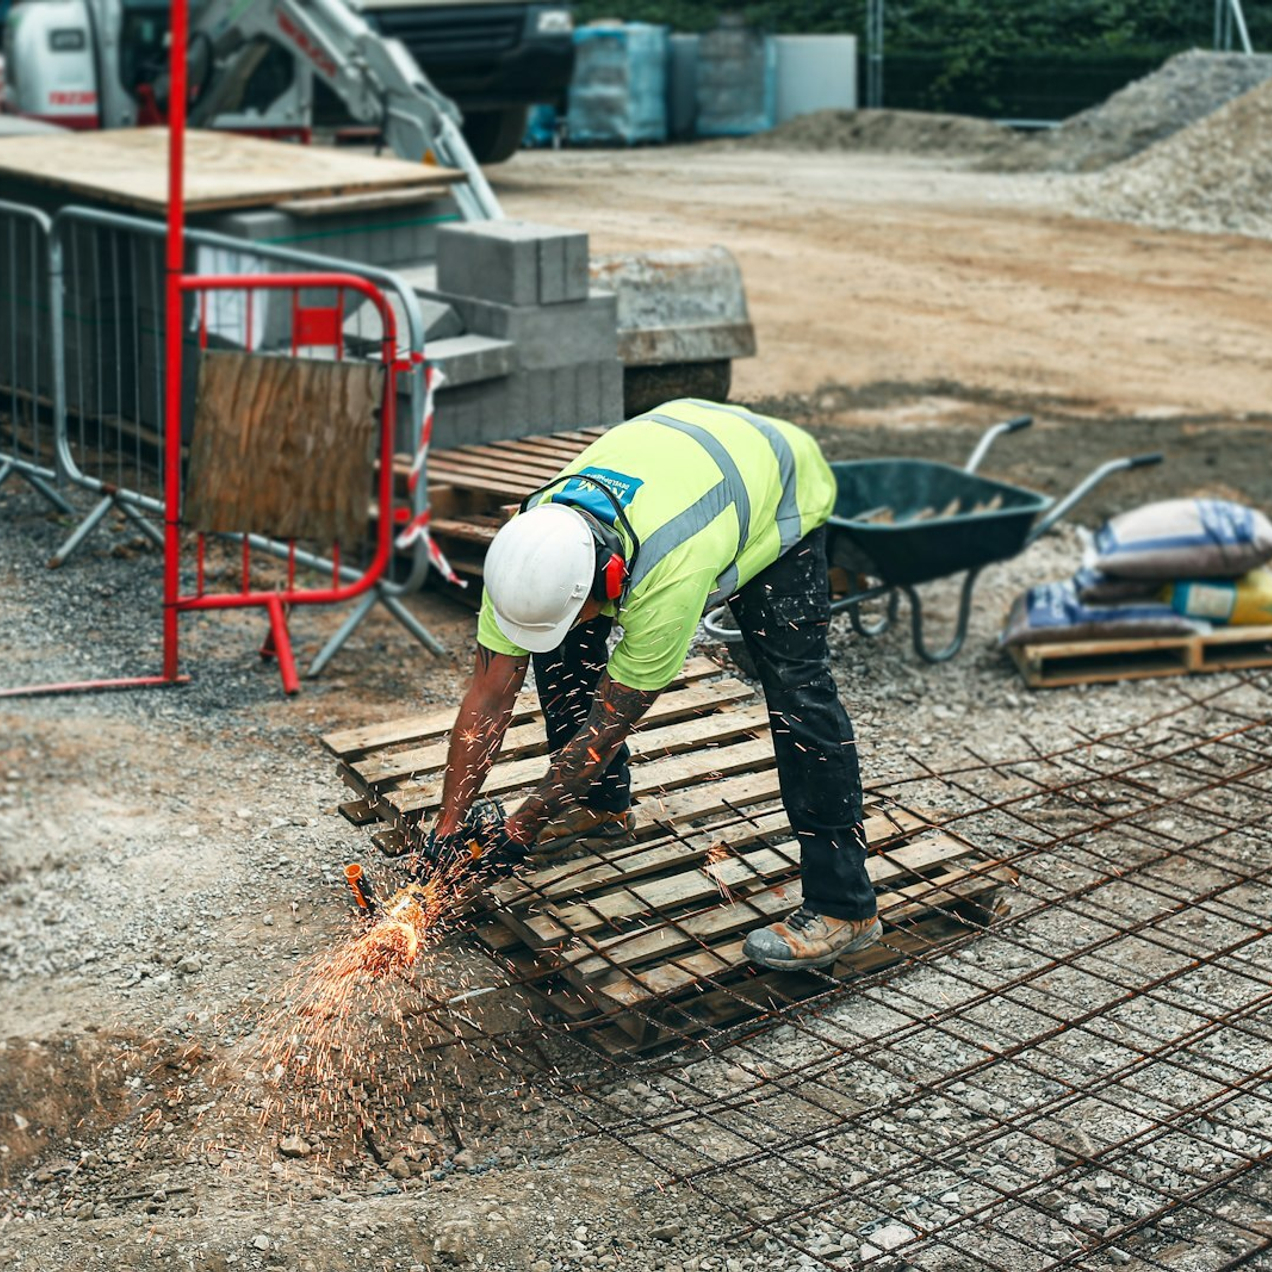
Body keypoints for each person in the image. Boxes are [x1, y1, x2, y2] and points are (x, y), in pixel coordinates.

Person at [419, 398, 880, 972]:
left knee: (798, 693)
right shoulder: (529, 549)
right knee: (560, 645)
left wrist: (521, 827)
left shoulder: (670, 576)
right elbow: (489, 695)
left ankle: (846, 905)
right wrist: (448, 826)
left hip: (778, 483)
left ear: (612, 581)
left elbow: (608, 723)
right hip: (685, 450)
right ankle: (601, 808)